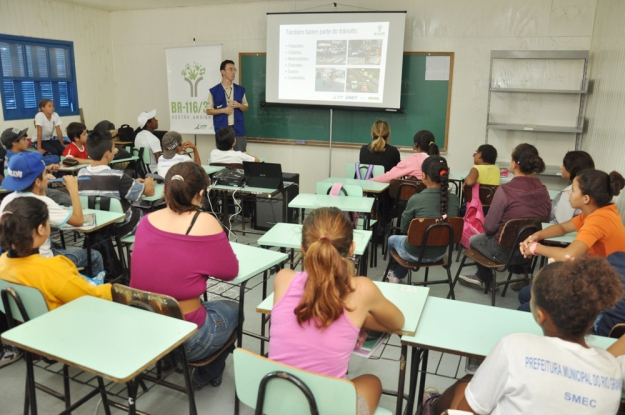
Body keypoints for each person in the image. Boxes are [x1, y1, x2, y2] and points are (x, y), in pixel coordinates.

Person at [422, 258, 624, 415]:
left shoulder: (515, 347)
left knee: (467, 386)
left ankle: (430, 407)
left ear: (539, 315)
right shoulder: (613, 369)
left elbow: (468, 410)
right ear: (592, 321)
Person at [269, 207, 405, 415]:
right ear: (352, 248)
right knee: (372, 382)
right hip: (328, 409)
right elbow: (398, 322)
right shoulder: (362, 290)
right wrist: (360, 317)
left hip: (277, 405)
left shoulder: (283, 279)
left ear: (303, 248)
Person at [130, 162, 239, 390]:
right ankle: (206, 374)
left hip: (145, 328)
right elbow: (230, 272)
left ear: (166, 189)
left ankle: (170, 359)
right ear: (200, 194)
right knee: (234, 311)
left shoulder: (146, 221)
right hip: (187, 337)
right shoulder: (204, 221)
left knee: (203, 304)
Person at [516, 169, 625, 311]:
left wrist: (534, 248)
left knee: (526, 306)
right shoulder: (595, 212)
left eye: (573, 190)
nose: (569, 193)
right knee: (526, 294)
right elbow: (562, 227)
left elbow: (568, 255)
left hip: (604, 289)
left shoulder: (599, 219)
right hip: (593, 276)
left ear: (586, 199)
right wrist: (536, 236)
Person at [458, 143, 551, 291]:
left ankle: (484, 278)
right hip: (530, 250)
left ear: (514, 163)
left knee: (474, 239)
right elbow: (545, 219)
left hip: (503, 251)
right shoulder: (544, 191)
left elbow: (489, 228)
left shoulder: (505, 191)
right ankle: (521, 277)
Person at [0, 152, 104, 277]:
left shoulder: (7, 200)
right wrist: (73, 190)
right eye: (45, 173)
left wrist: (40, 185)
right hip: (44, 258)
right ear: (37, 181)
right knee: (94, 256)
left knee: (58, 246)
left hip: (18, 258)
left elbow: (37, 196)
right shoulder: (43, 202)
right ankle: (85, 288)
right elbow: (78, 220)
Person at [385, 156, 460, 283]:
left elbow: (404, 228)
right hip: (440, 254)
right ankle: (397, 274)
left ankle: (395, 274)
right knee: (414, 241)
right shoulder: (455, 199)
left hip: (414, 254)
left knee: (392, 240)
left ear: (424, 175)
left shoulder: (416, 198)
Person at [78, 129, 155, 237]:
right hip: (122, 228)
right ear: (107, 154)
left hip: (95, 226)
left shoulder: (81, 174)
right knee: (153, 214)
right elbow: (150, 192)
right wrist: (149, 183)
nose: (116, 150)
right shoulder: (118, 176)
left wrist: (132, 182)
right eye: (114, 147)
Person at [1, 127, 69, 206]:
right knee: (67, 199)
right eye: (23, 139)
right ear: (14, 143)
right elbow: (23, 181)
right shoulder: (13, 160)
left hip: (30, 189)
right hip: (28, 192)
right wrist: (44, 176)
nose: (27, 142)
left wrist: (46, 168)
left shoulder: (20, 155)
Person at [206, 60, 249, 152]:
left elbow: (246, 107)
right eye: (230, 69)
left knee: (241, 155)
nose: (233, 72)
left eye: (234, 70)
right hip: (222, 130)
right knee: (223, 156)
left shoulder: (240, 90)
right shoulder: (214, 91)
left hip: (238, 129)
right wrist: (223, 110)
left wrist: (238, 105)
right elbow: (208, 111)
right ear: (223, 72)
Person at [370, 130, 439, 182]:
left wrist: (369, 181)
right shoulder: (438, 161)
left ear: (416, 144)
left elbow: (389, 176)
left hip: (413, 199)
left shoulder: (414, 159)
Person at [549, 151, 595, 224]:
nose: (560, 167)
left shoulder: (569, 194)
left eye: (564, 165)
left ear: (573, 169)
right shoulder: (592, 188)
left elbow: (561, 223)